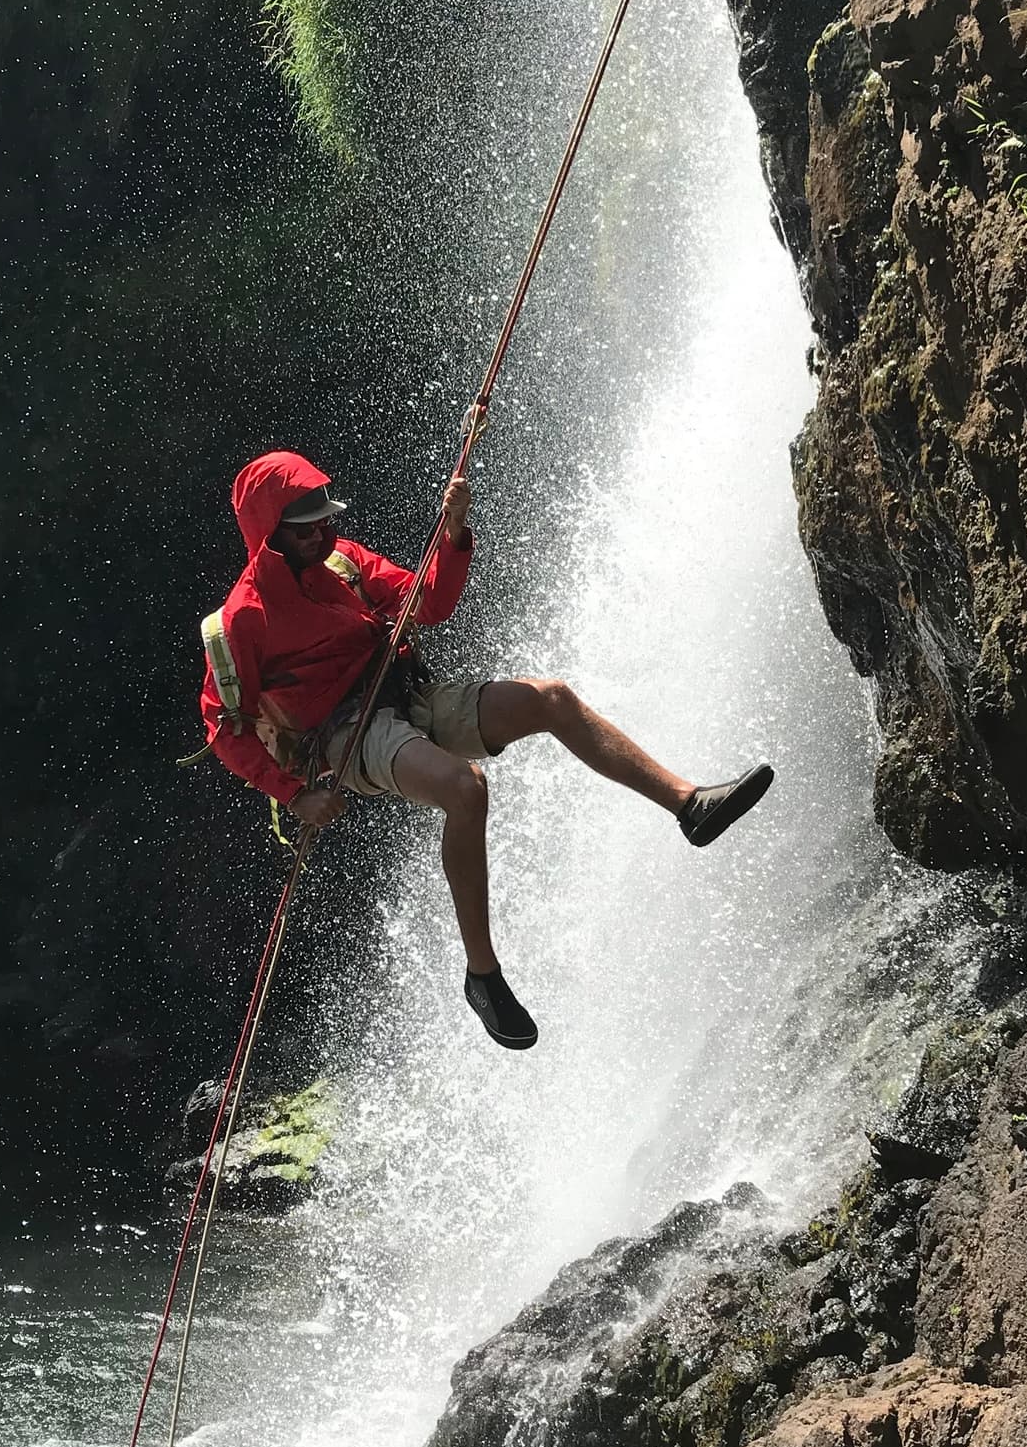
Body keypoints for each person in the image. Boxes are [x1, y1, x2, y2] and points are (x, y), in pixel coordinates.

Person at [200, 448, 773, 1051]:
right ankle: (483, 976)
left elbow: (428, 604)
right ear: (270, 536)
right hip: (346, 737)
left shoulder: (344, 563)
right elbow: (224, 728)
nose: (323, 531)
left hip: (405, 691)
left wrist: (452, 537)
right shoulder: (244, 619)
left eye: (325, 518)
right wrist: (294, 795)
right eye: (306, 525)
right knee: (464, 787)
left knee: (551, 699)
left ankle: (688, 805)